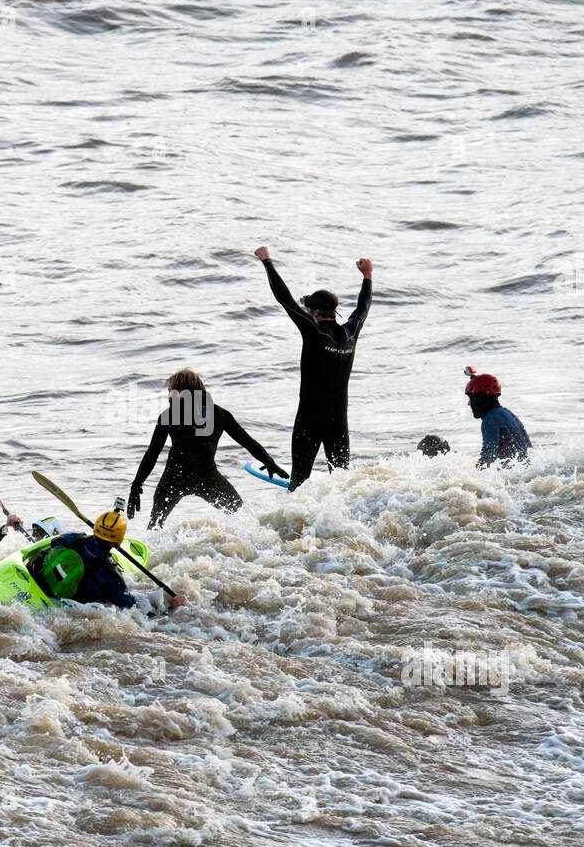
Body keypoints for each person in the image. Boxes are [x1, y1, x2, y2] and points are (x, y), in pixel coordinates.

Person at [255, 245, 373, 490]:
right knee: (342, 483)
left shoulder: (313, 331)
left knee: (298, 482)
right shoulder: (350, 333)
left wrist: (267, 262)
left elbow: (284, 299)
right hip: (338, 420)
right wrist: (367, 277)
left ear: (316, 312)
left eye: (309, 309)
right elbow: (362, 308)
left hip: (310, 419)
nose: (307, 312)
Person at [128, 368, 288, 528]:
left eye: (170, 391)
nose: (168, 396)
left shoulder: (169, 415)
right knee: (243, 519)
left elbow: (152, 453)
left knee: (155, 526)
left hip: (174, 478)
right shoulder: (220, 413)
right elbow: (248, 443)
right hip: (207, 478)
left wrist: (137, 484)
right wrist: (269, 462)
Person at [36, 507, 187, 611]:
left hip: (42, 583)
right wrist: (170, 609)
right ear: (119, 539)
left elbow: (53, 542)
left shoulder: (73, 538)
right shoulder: (110, 572)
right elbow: (128, 605)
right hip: (72, 603)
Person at [464, 367, 531, 467]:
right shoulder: (506, 414)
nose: (469, 403)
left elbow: (488, 457)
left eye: (471, 398)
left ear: (480, 397)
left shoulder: (491, 419)